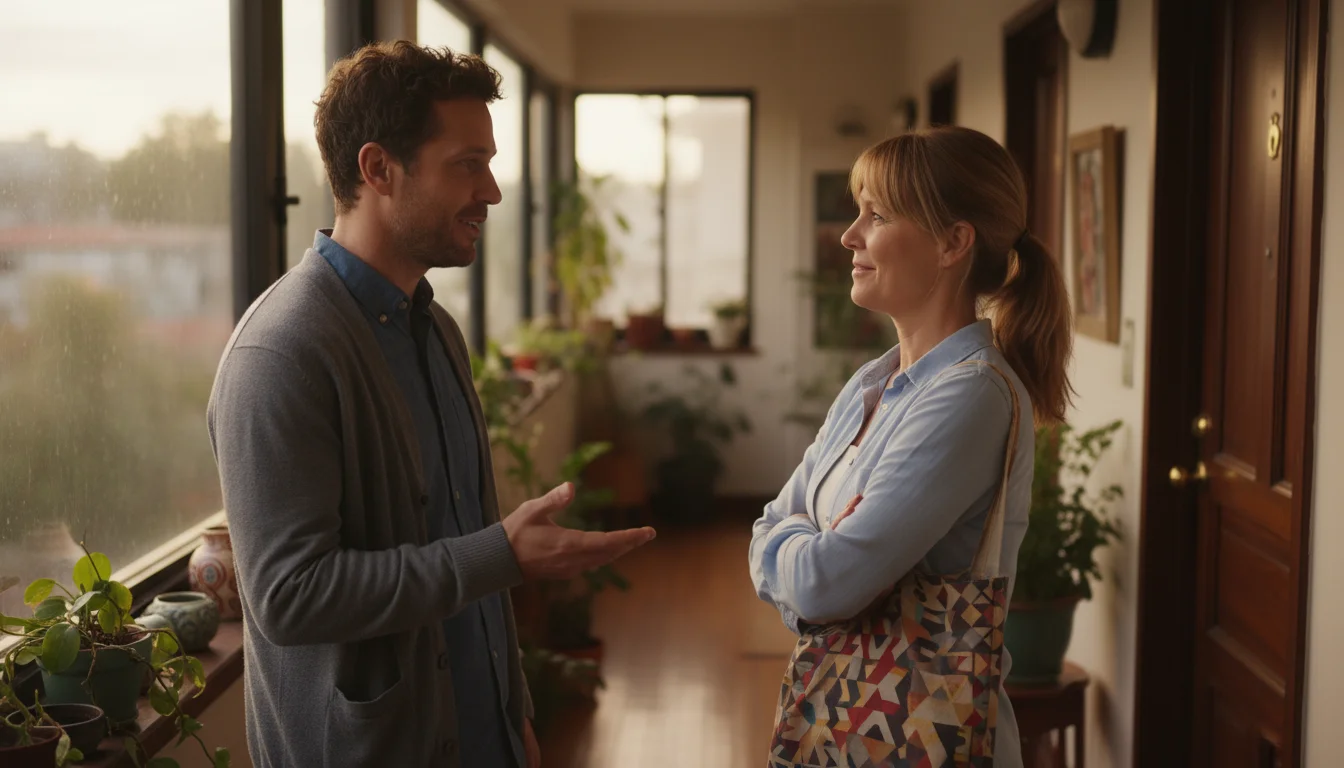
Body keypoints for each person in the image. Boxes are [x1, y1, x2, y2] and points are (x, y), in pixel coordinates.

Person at [207, 41, 656, 768]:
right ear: (378, 169)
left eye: (489, 163)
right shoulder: (282, 353)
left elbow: (465, 533)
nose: (493, 192)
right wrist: (502, 554)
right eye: (467, 164)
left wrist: (513, 712)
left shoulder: (437, 328)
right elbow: (290, 597)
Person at [749, 125, 1074, 767]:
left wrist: (804, 550)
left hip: (921, 738)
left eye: (877, 215)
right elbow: (768, 527)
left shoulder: (971, 396)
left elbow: (822, 587)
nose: (850, 235)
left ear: (953, 242)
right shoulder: (872, 383)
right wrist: (804, 545)